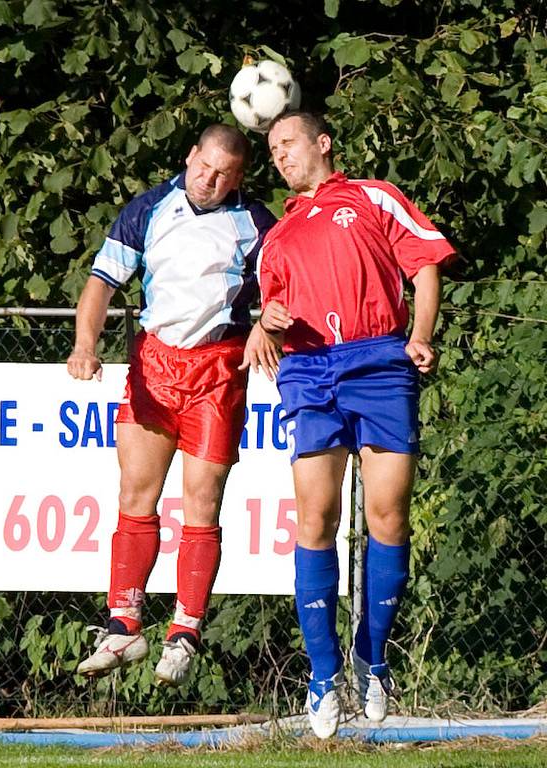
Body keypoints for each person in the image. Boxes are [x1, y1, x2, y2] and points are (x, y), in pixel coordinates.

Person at [241, 111, 456, 738]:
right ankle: (323, 674)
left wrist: (419, 336)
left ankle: (373, 658)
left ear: (323, 142)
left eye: (289, 144)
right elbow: (270, 308)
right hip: (309, 370)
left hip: (379, 360)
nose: (280, 155)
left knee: (388, 513)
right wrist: (264, 323)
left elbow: (424, 265)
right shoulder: (277, 234)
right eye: (273, 149)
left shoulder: (373, 196)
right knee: (315, 518)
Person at [68, 124, 276, 685]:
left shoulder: (255, 223)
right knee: (136, 494)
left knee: (201, 504)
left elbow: (284, 290)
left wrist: (266, 327)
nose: (209, 180)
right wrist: (85, 346)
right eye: (203, 167)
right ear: (190, 156)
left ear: (239, 178)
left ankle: (184, 632)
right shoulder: (149, 208)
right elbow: (101, 283)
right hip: (155, 366)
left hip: (217, 371)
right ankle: (122, 626)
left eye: (224, 175)